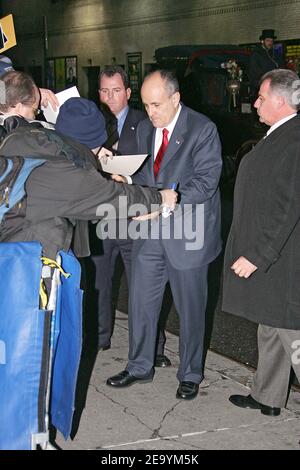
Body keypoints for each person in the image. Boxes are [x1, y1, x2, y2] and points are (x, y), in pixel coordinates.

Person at [107, 69, 222, 400]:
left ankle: (190, 374)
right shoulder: (145, 128)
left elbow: (207, 180)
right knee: (141, 302)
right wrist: (127, 179)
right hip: (150, 229)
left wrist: (174, 195)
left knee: (191, 310)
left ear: (175, 98)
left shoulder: (202, 129)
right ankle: (139, 365)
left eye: (156, 104)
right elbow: (147, 170)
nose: (151, 112)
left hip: (188, 233)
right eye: (145, 105)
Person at [0, 70, 177, 260]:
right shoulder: (65, 172)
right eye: (35, 111)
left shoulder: (20, 139)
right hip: (25, 261)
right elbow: (111, 196)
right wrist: (160, 198)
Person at [222, 68, 300, 416]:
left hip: (283, 259)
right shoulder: (279, 135)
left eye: (262, 98)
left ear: (281, 102)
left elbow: (289, 207)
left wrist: (258, 255)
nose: (255, 103)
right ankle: (267, 396)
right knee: (270, 326)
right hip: (276, 260)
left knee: (293, 333)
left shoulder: (295, 141)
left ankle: (267, 395)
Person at [94, 65, 170, 366]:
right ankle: (100, 338)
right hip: (101, 218)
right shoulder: (93, 122)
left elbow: (158, 162)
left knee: (144, 289)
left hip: (136, 218)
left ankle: (155, 347)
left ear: (127, 92)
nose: (109, 97)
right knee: (100, 284)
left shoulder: (145, 121)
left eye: (116, 90)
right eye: (104, 91)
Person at [248, 29, 279, 97]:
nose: (270, 43)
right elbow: (254, 72)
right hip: (260, 88)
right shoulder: (256, 54)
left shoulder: (271, 53)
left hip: (271, 86)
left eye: (271, 41)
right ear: (262, 41)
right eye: (268, 40)